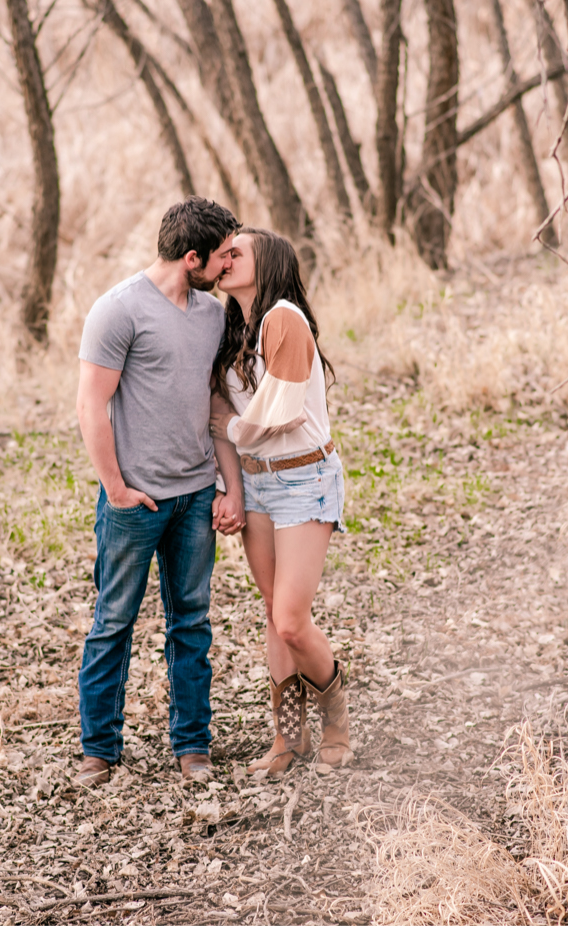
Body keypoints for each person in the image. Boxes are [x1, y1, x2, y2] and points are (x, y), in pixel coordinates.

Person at [74, 199, 244, 788]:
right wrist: (116, 488)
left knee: (191, 623)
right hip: (136, 503)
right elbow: (90, 404)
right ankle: (99, 750)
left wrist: (230, 486)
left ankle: (192, 744)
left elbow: (218, 406)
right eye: (223, 255)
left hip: (196, 495)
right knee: (113, 621)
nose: (229, 264)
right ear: (192, 257)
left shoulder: (212, 315)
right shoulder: (118, 310)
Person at [214, 226, 351, 773]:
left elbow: (277, 415)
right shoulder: (234, 331)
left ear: (265, 262)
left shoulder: (284, 319)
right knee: (274, 616)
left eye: (235, 253)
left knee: (292, 620)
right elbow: (230, 423)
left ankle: (337, 721)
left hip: (303, 479)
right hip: (259, 485)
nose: (224, 261)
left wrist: (231, 425)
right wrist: (235, 462)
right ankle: (287, 741)